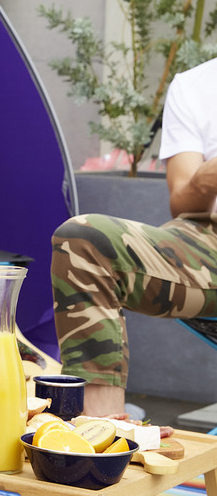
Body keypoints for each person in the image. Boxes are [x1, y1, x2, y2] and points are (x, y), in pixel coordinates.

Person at [52, 56, 217, 417]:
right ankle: (104, 434)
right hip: (207, 243)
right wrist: (208, 174)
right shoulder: (194, 85)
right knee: (85, 240)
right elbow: (183, 200)